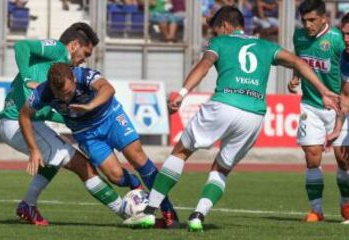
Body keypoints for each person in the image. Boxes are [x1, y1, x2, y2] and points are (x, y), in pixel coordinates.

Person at [122, 5, 340, 232]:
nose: (214, 35)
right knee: (221, 169)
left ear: (225, 26)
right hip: (254, 115)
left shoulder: (220, 42)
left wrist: (183, 93)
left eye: (216, 30)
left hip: (224, 104)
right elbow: (299, 62)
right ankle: (197, 216)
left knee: (181, 151)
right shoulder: (266, 46)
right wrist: (323, 90)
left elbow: (204, 65)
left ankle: (149, 212)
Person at [0, 22, 141, 226]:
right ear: (74, 45)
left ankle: (28, 204)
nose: (84, 60)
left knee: (54, 162)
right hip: (18, 122)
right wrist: (27, 79)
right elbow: (22, 46)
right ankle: (128, 213)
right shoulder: (58, 50)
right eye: (85, 52)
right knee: (84, 167)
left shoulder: (59, 75)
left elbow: (51, 113)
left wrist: (75, 117)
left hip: (22, 122)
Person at [19, 63, 180, 228]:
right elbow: (24, 115)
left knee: (137, 158)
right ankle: (134, 184)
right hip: (87, 134)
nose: (65, 98)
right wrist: (33, 149)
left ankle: (168, 210)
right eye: (60, 95)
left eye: (68, 93)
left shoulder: (83, 75)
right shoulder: (44, 91)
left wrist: (90, 106)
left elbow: (108, 88)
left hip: (111, 117)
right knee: (115, 177)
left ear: (73, 79)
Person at [287, 0, 349, 223]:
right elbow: (299, 61)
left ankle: (346, 204)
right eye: (304, 20)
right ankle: (316, 210)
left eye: (312, 20)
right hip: (311, 105)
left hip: (340, 106)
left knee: (344, 160)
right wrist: (295, 78)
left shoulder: (338, 41)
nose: (308, 25)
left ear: (324, 18)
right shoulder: (299, 37)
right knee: (312, 157)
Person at [325, 12, 349, 225]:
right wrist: (337, 128)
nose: (346, 39)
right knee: (341, 156)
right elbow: (345, 95)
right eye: (344, 34)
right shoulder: (345, 57)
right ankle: (346, 202)